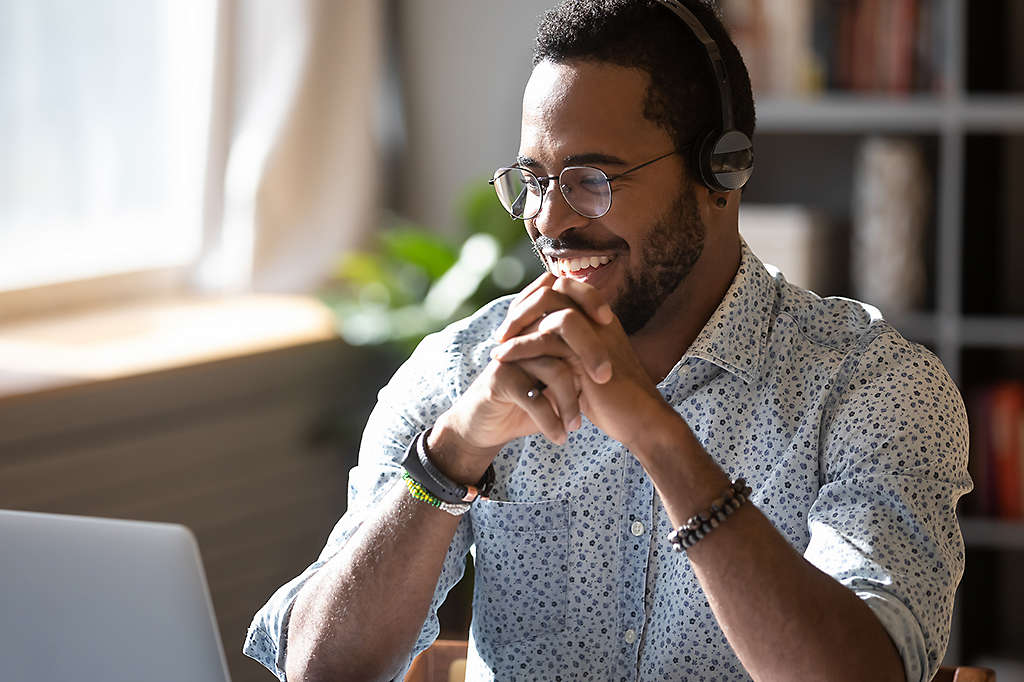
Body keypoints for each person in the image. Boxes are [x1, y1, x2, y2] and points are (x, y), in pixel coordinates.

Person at [244, 1, 971, 680]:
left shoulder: (871, 387)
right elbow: (318, 669)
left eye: (592, 178)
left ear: (722, 170)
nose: (549, 221)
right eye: (534, 179)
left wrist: (660, 439)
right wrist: (452, 453)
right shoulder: (461, 372)